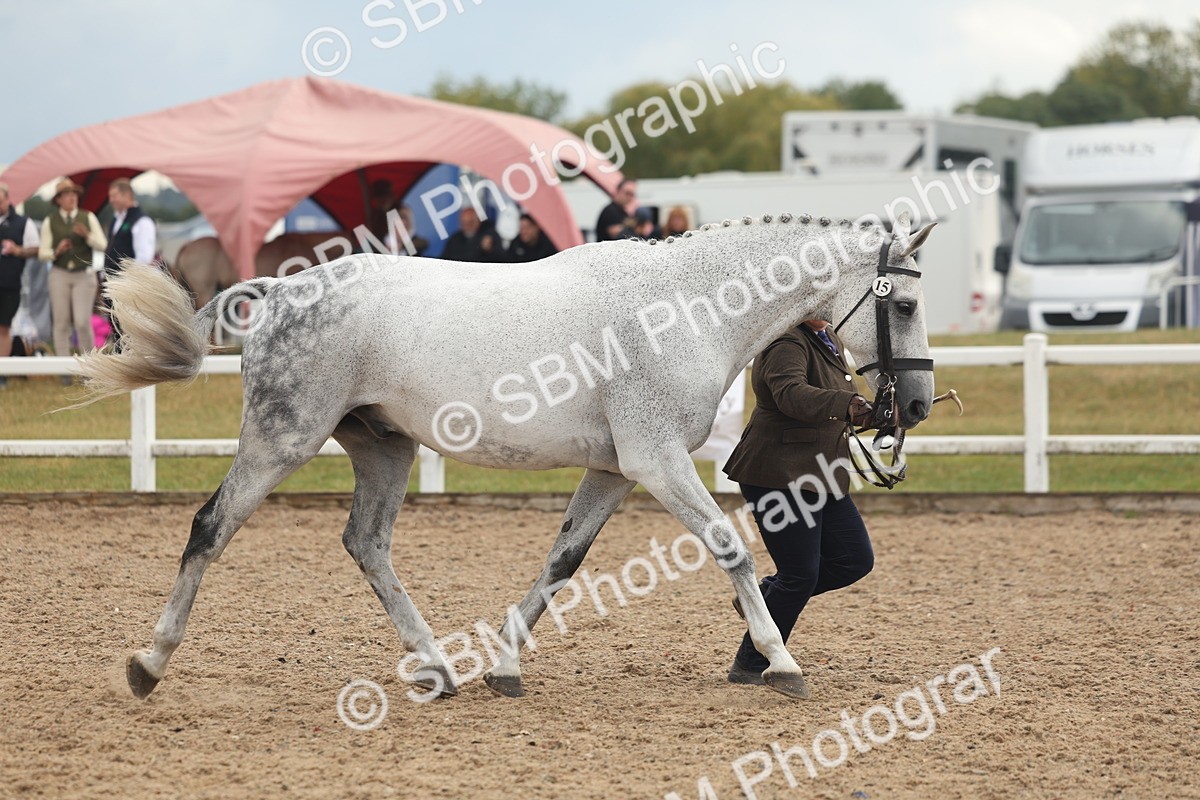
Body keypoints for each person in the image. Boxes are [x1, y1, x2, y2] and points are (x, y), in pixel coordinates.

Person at [721, 319, 876, 686]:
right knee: (800, 575)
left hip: (820, 473)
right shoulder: (785, 340)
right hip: (777, 474)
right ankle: (750, 663)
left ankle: (762, 598)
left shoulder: (828, 337)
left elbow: (830, 406)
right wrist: (848, 403)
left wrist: (874, 413)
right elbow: (791, 395)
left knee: (854, 560)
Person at [39, 178, 107, 361]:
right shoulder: (50, 222)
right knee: (61, 323)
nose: (72, 198)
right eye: (67, 195)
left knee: (82, 322)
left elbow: (102, 244)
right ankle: (63, 369)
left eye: (74, 194)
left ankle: (89, 366)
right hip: (59, 273)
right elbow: (42, 252)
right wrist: (56, 251)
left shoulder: (88, 217)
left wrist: (87, 236)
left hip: (83, 274)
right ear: (59, 200)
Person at [0, 183, 41, 388]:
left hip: (9, 283)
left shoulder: (23, 223)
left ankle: (2, 373)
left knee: (4, 327)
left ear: (7, 199)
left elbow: (36, 250)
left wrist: (17, 251)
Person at [104, 178, 155, 272]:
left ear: (127, 195)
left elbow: (144, 258)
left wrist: (128, 280)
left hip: (128, 283)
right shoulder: (116, 220)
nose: (111, 200)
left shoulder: (142, 221)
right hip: (112, 281)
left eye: (114, 196)